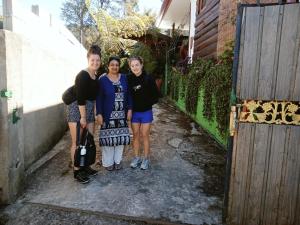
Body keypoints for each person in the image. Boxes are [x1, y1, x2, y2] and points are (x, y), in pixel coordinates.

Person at [66, 45, 101, 184]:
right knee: (77, 142)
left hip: (89, 110)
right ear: (88, 59)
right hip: (77, 110)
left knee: (88, 141)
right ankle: (76, 170)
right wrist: (83, 117)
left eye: (97, 60)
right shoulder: (82, 75)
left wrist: (95, 113)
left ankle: (85, 166)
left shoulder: (95, 76)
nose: (95, 63)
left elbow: (94, 97)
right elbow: (80, 98)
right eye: (92, 60)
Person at [96, 56, 132, 171]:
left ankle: (118, 161)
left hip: (121, 114)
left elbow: (129, 94)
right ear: (108, 66)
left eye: (116, 65)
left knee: (120, 139)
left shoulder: (125, 78)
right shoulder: (103, 80)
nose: (114, 67)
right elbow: (99, 98)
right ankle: (108, 163)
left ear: (119, 66)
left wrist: (130, 109)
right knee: (108, 140)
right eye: (112, 65)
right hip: (108, 115)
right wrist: (99, 113)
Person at [127, 56, 159, 170]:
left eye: (137, 65)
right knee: (135, 135)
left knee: (144, 135)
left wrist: (146, 102)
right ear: (130, 67)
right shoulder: (129, 79)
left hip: (146, 112)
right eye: (132, 65)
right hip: (135, 113)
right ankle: (136, 157)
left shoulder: (149, 78)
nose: (135, 67)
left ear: (141, 65)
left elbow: (156, 96)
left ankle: (146, 159)